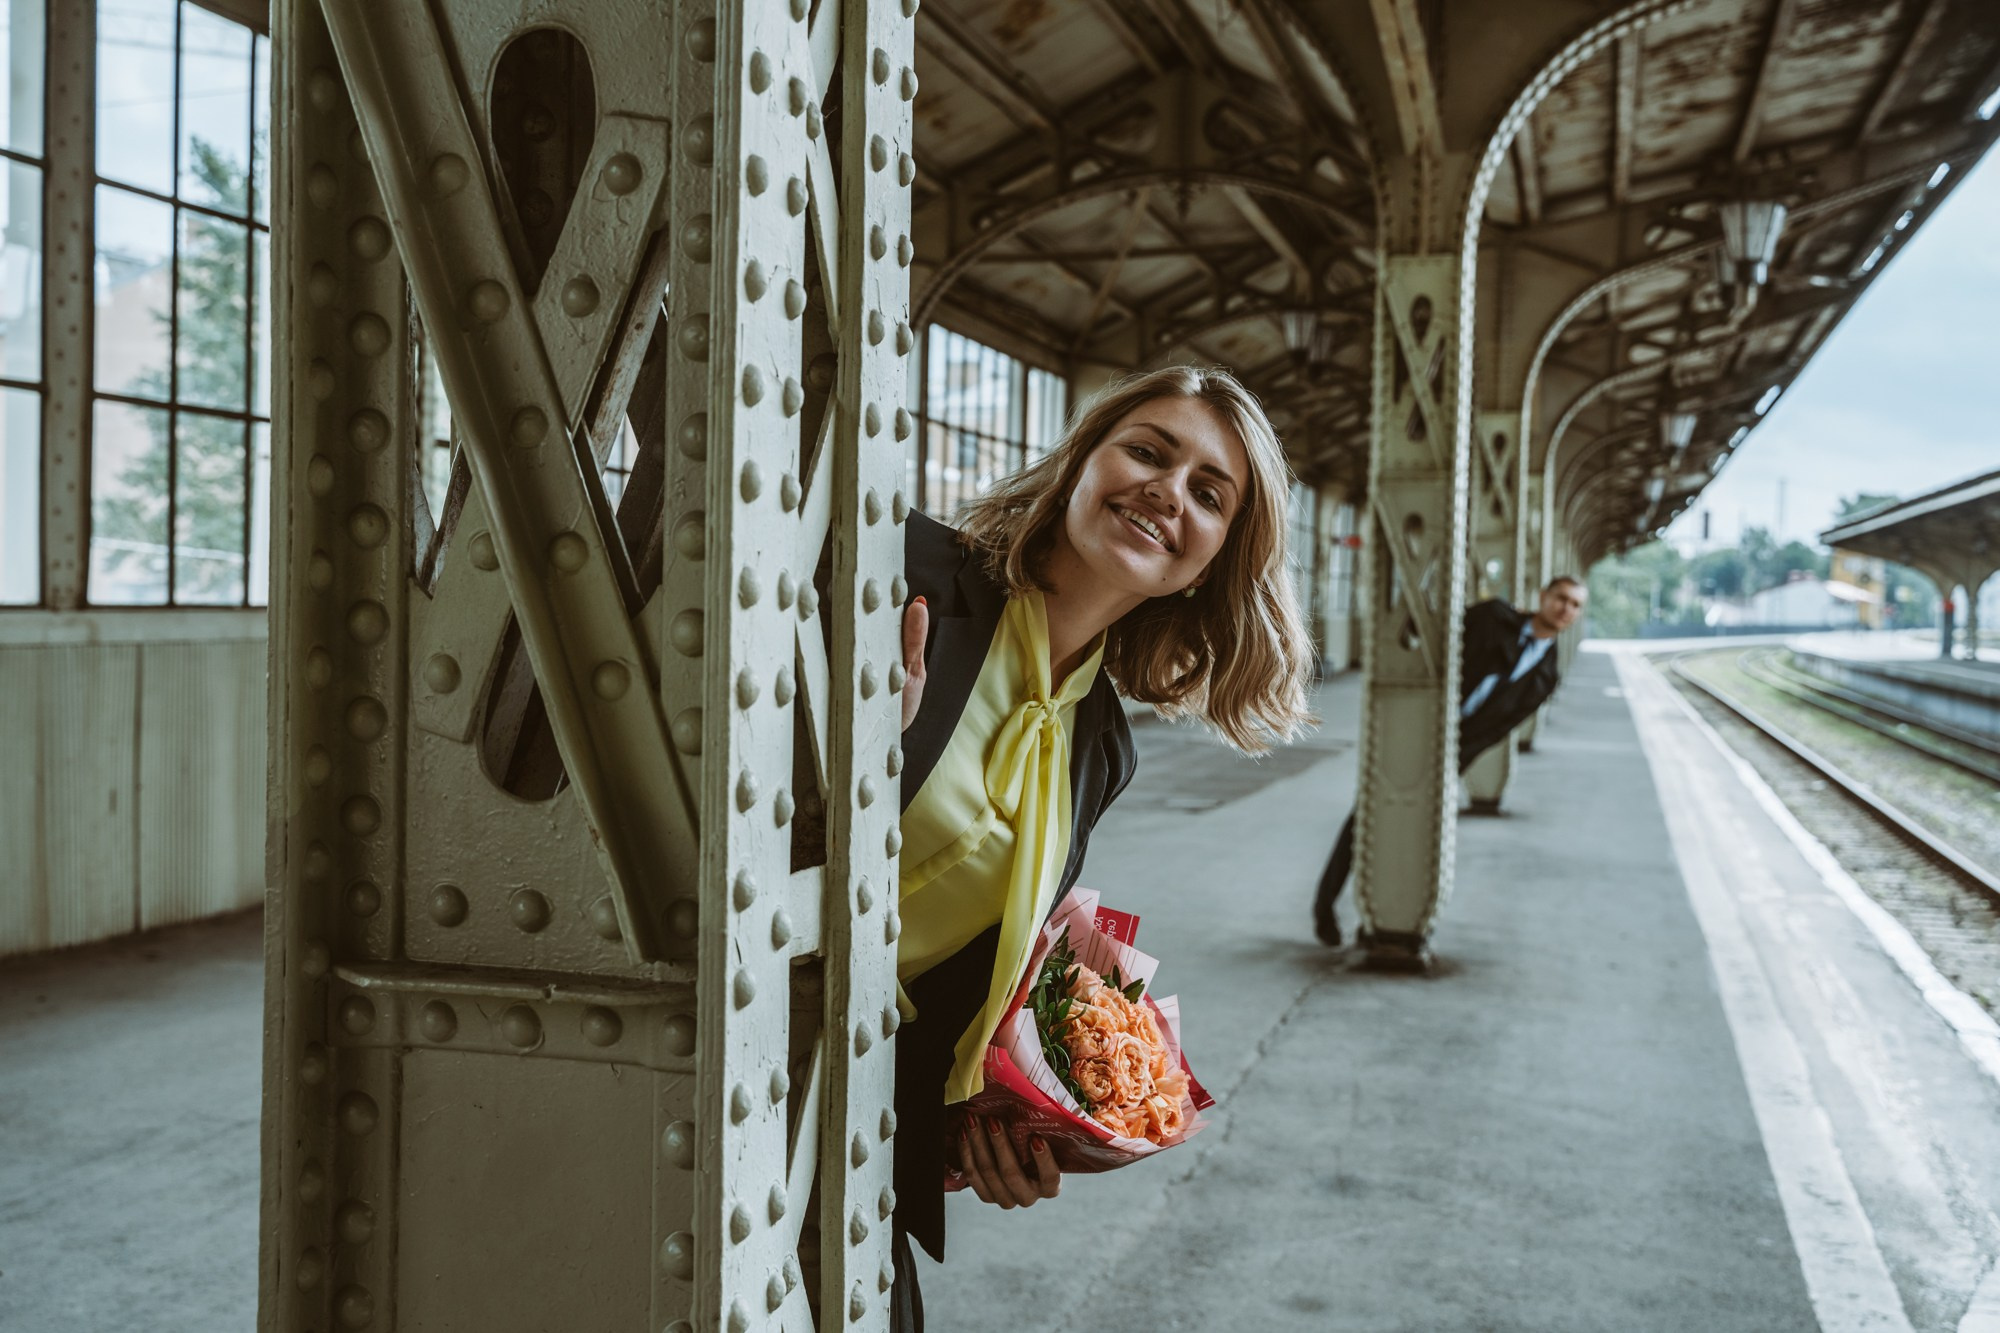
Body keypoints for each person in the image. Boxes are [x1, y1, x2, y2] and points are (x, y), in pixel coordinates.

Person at [885, 366, 1317, 1330]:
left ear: (1209, 564)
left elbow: (950, 973)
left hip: (840, 1099)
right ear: (1079, 464)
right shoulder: (908, 569)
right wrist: (845, 761)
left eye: (1209, 494)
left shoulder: (1101, 742)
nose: (1169, 491)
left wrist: (989, 1126)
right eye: (1148, 452)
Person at [1310, 575, 1588, 947]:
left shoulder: (1547, 676)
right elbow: (1434, 636)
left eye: (1575, 605)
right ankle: (1325, 905)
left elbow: (1498, 730)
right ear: (1543, 596)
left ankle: (1386, 915)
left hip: (1456, 750)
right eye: (1561, 598)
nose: (1565, 608)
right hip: (1417, 725)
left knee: (1418, 831)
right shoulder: (1493, 617)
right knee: (1368, 814)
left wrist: (1457, 762)